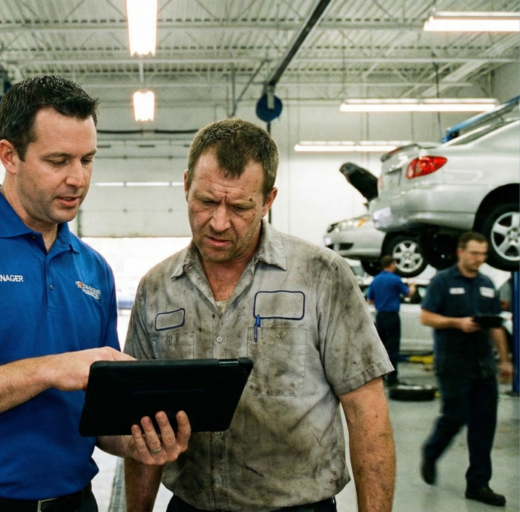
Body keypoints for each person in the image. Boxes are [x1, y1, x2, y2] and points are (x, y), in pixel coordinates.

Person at [0, 76, 190, 512]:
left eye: (87, 159)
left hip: (73, 503)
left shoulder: (92, 268)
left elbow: (99, 418)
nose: (77, 178)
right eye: (58, 160)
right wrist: (46, 370)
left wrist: (143, 440)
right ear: (11, 156)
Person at [124, 118, 396, 512]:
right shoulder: (157, 288)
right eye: (205, 201)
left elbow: (366, 410)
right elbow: (143, 424)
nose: (218, 222)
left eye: (239, 207)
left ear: (268, 200)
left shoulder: (322, 276)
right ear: (186, 185)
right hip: (190, 504)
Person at [419, 231, 513, 507]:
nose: (479, 259)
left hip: (483, 366)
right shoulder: (442, 281)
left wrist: (505, 361)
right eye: (474, 253)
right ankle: (432, 451)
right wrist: (456, 323)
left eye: (483, 254)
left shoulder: (486, 284)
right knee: (455, 416)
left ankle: (478, 483)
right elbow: (426, 316)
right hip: (454, 365)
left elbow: (495, 326)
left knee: (484, 425)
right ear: (461, 252)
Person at [366, 255, 417, 386]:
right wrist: (412, 286)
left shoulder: (376, 280)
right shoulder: (395, 279)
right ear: (392, 264)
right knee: (393, 347)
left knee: (380, 347)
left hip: (380, 316)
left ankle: (380, 376)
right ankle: (392, 378)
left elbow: (370, 299)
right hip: (392, 316)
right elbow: (407, 294)